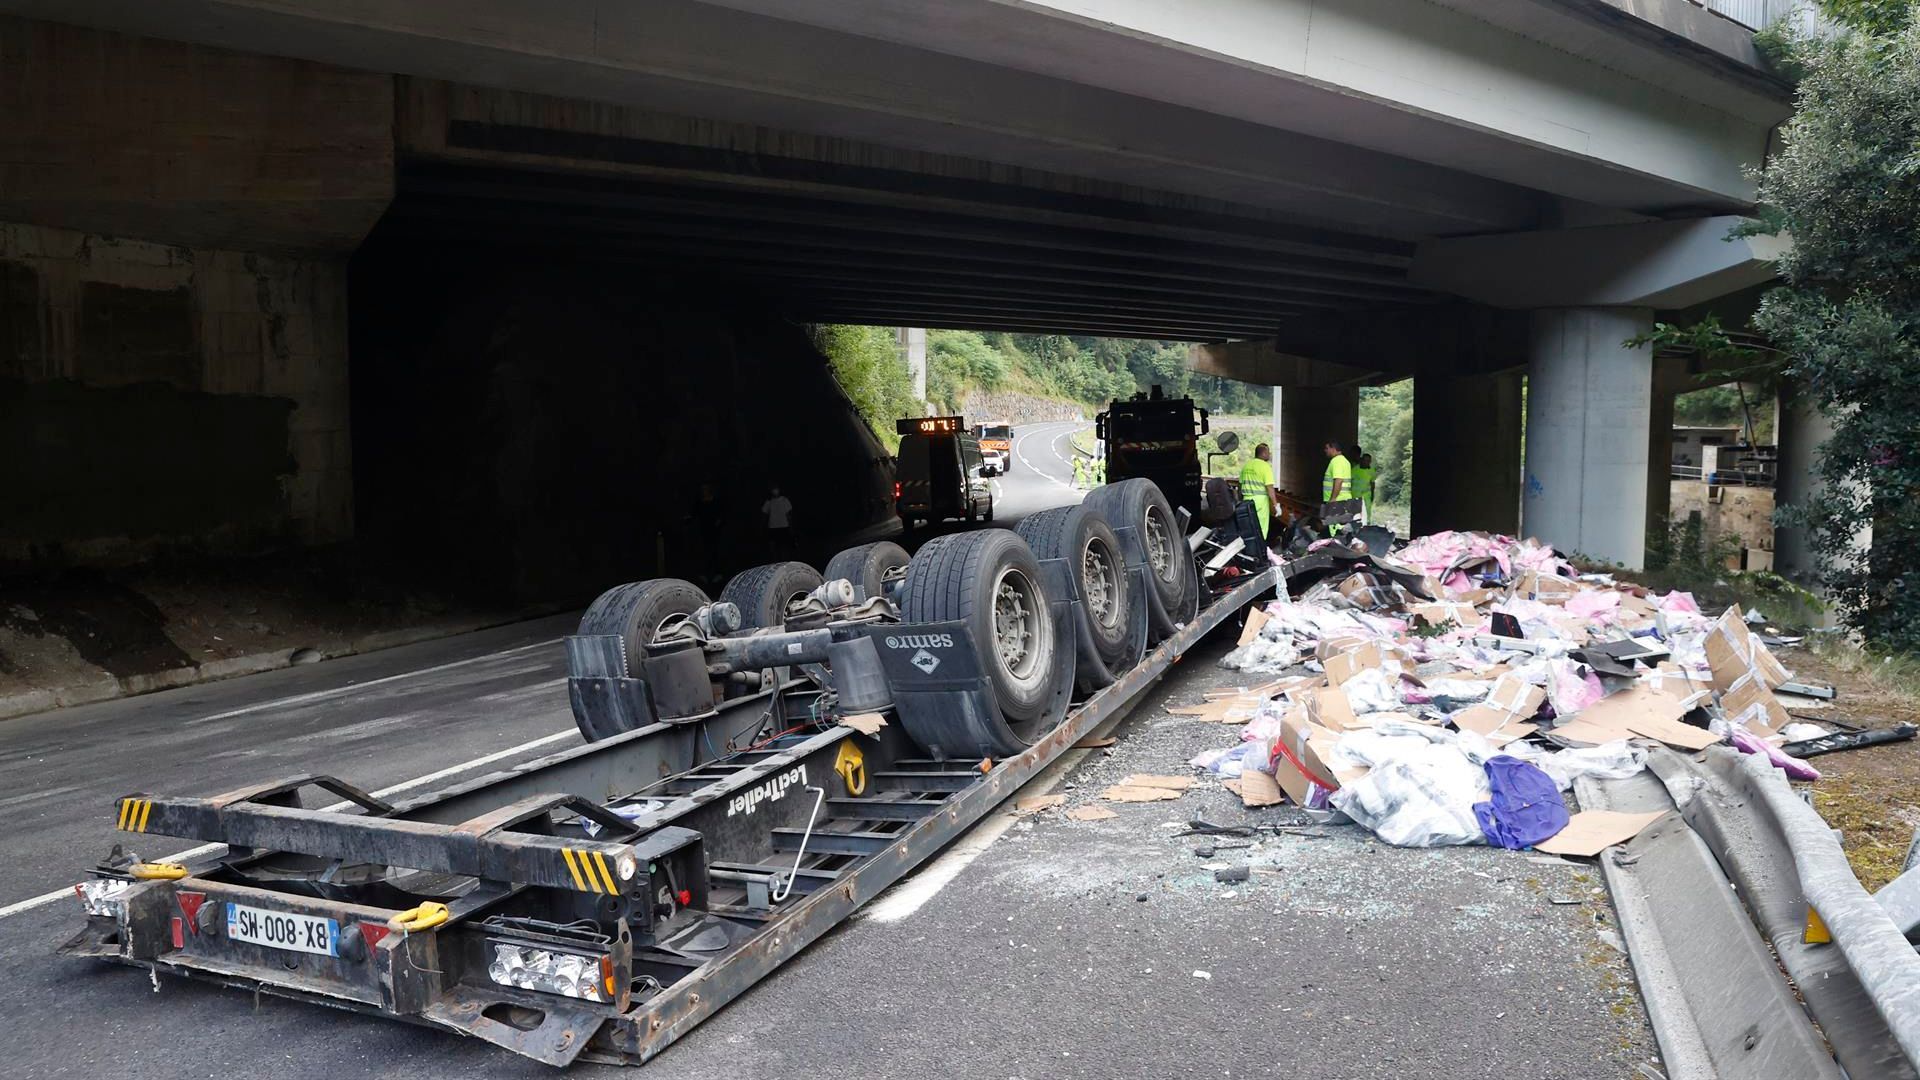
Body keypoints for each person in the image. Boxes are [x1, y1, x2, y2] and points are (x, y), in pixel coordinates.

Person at [1238, 443, 1279, 540]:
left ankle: (1249, 549)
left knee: (1249, 527)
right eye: (1268, 452)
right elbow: (1269, 487)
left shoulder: (1246, 466)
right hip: (1260, 503)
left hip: (1246, 500)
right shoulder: (1265, 466)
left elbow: (1240, 485)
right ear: (1264, 453)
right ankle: (1260, 551)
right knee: (1261, 528)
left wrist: (1240, 500)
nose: (1269, 454)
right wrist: (1276, 505)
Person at [1322, 440, 1353, 535]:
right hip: (1344, 500)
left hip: (1337, 502)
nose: (1325, 450)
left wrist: (1333, 500)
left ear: (1333, 449)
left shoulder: (1336, 461)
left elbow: (1338, 480)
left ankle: (1339, 548)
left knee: (1336, 531)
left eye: (1327, 448)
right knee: (1344, 529)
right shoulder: (1345, 461)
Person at [761, 487, 794, 556]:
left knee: (784, 546)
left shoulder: (784, 500)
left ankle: (784, 562)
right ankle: (774, 561)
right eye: (773, 489)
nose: (775, 491)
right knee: (773, 546)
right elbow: (764, 514)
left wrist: (791, 526)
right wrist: (763, 526)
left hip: (784, 526)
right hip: (772, 527)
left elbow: (789, 514)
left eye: (776, 488)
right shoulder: (769, 501)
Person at [1351, 449, 1376, 526]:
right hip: (1355, 496)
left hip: (1366, 495)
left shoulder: (1372, 471)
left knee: (1367, 511)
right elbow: (1349, 482)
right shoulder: (1354, 470)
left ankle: (1367, 525)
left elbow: (1372, 483)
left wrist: (1372, 495)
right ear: (1361, 460)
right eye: (1365, 460)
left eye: (1369, 461)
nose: (1367, 462)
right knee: (1356, 514)